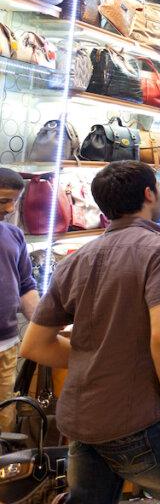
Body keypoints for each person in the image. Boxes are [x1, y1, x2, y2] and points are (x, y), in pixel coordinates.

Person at [20, 162, 160, 503]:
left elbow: (34, 344)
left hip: (82, 416)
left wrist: (90, 356)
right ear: (149, 193)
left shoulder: (78, 258)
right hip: (136, 414)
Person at [0, 168, 38, 431]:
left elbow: (26, 285)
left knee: (5, 419)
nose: (11, 207)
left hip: (7, 345)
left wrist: (44, 325)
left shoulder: (14, 235)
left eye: (15, 200)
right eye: (3, 200)